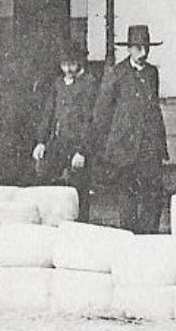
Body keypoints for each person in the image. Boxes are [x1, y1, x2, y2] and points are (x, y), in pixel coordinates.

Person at [93, 24, 168, 234]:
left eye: (146, 47)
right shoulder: (116, 73)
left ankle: (149, 239)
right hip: (124, 147)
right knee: (127, 196)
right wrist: (102, 146)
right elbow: (102, 113)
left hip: (149, 146)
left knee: (153, 195)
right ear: (129, 49)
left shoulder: (152, 73)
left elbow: (153, 107)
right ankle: (130, 240)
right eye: (138, 47)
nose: (143, 52)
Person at [31, 38, 99, 223]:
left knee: (79, 193)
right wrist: (41, 141)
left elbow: (90, 121)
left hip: (78, 147)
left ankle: (79, 229)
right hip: (58, 143)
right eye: (64, 65)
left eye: (72, 65)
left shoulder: (89, 84)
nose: (68, 70)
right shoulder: (58, 84)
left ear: (80, 62)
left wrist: (82, 151)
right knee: (47, 182)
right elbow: (49, 114)